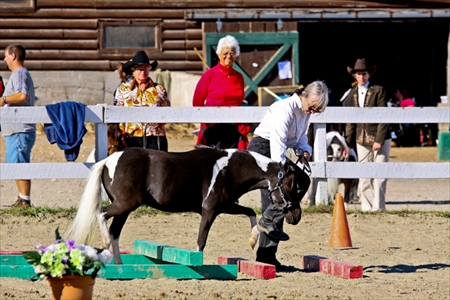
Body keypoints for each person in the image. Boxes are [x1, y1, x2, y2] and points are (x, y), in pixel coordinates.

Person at [248, 80, 329, 270]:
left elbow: (301, 138)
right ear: (305, 95)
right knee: (278, 198)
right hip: (264, 148)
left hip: (279, 150)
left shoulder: (303, 112)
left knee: (287, 196)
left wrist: (305, 150)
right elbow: (277, 141)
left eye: (317, 110)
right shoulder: (284, 108)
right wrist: (280, 170)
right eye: (312, 107)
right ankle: (266, 255)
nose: (313, 112)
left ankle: (268, 255)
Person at [344, 58, 391, 212]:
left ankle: (378, 207)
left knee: (380, 175)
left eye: (364, 74)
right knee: (364, 176)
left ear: (369, 74)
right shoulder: (352, 95)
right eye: (359, 74)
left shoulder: (378, 91)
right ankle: (366, 207)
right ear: (355, 76)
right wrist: (347, 144)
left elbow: (384, 117)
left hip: (379, 138)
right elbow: (350, 122)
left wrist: (379, 140)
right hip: (360, 139)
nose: (362, 77)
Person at [192, 35, 251, 149]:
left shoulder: (238, 77)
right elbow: (196, 102)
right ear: (219, 54)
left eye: (232, 53)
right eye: (225, 53)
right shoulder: (209, 75)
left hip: (234, 126)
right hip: (214, 126)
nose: (229, 56)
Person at [1, 44, 36, 208]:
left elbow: (23, 96)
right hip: (15, 130)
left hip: (20, 129)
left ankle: (25, 201)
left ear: (13, 56)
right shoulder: (19, 74)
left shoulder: (19, 74)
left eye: (6, 56)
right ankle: (22, 197)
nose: (5, 59)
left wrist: (3, 100)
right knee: (15, 164)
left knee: (20, 163)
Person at [114, 50, 170, 151]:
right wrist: (122, 137)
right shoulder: (123, 90)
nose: (143, 71)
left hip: (155, 137)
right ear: (133, 71)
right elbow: (118, 116)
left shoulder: (159, 89)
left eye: (146, 68)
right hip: (131, 137)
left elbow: (167, 111)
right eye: (140, 68)